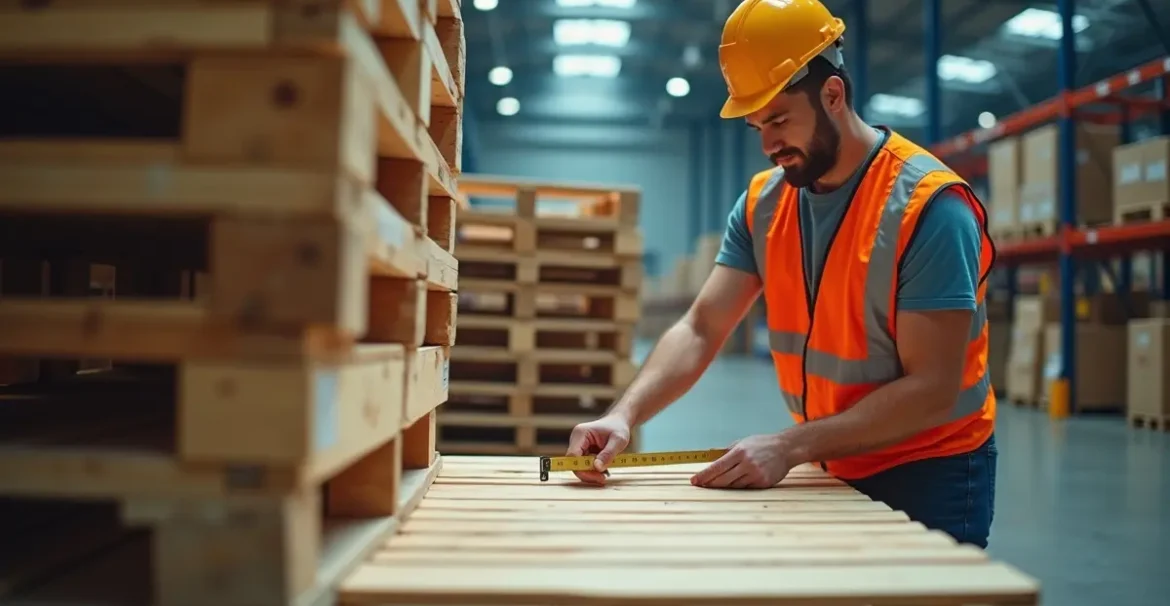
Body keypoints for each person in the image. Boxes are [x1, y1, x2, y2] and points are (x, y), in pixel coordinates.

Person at [565, 0, 999, 548]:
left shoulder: (929, 209)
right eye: (756, 126)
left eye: (779, 119)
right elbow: (701, 328)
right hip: (833, 460)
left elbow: (934, 390)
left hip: (930, 469)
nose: (769, 144)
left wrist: (790, 446)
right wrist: (624, 415)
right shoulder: (764, 204)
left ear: (833, 95)